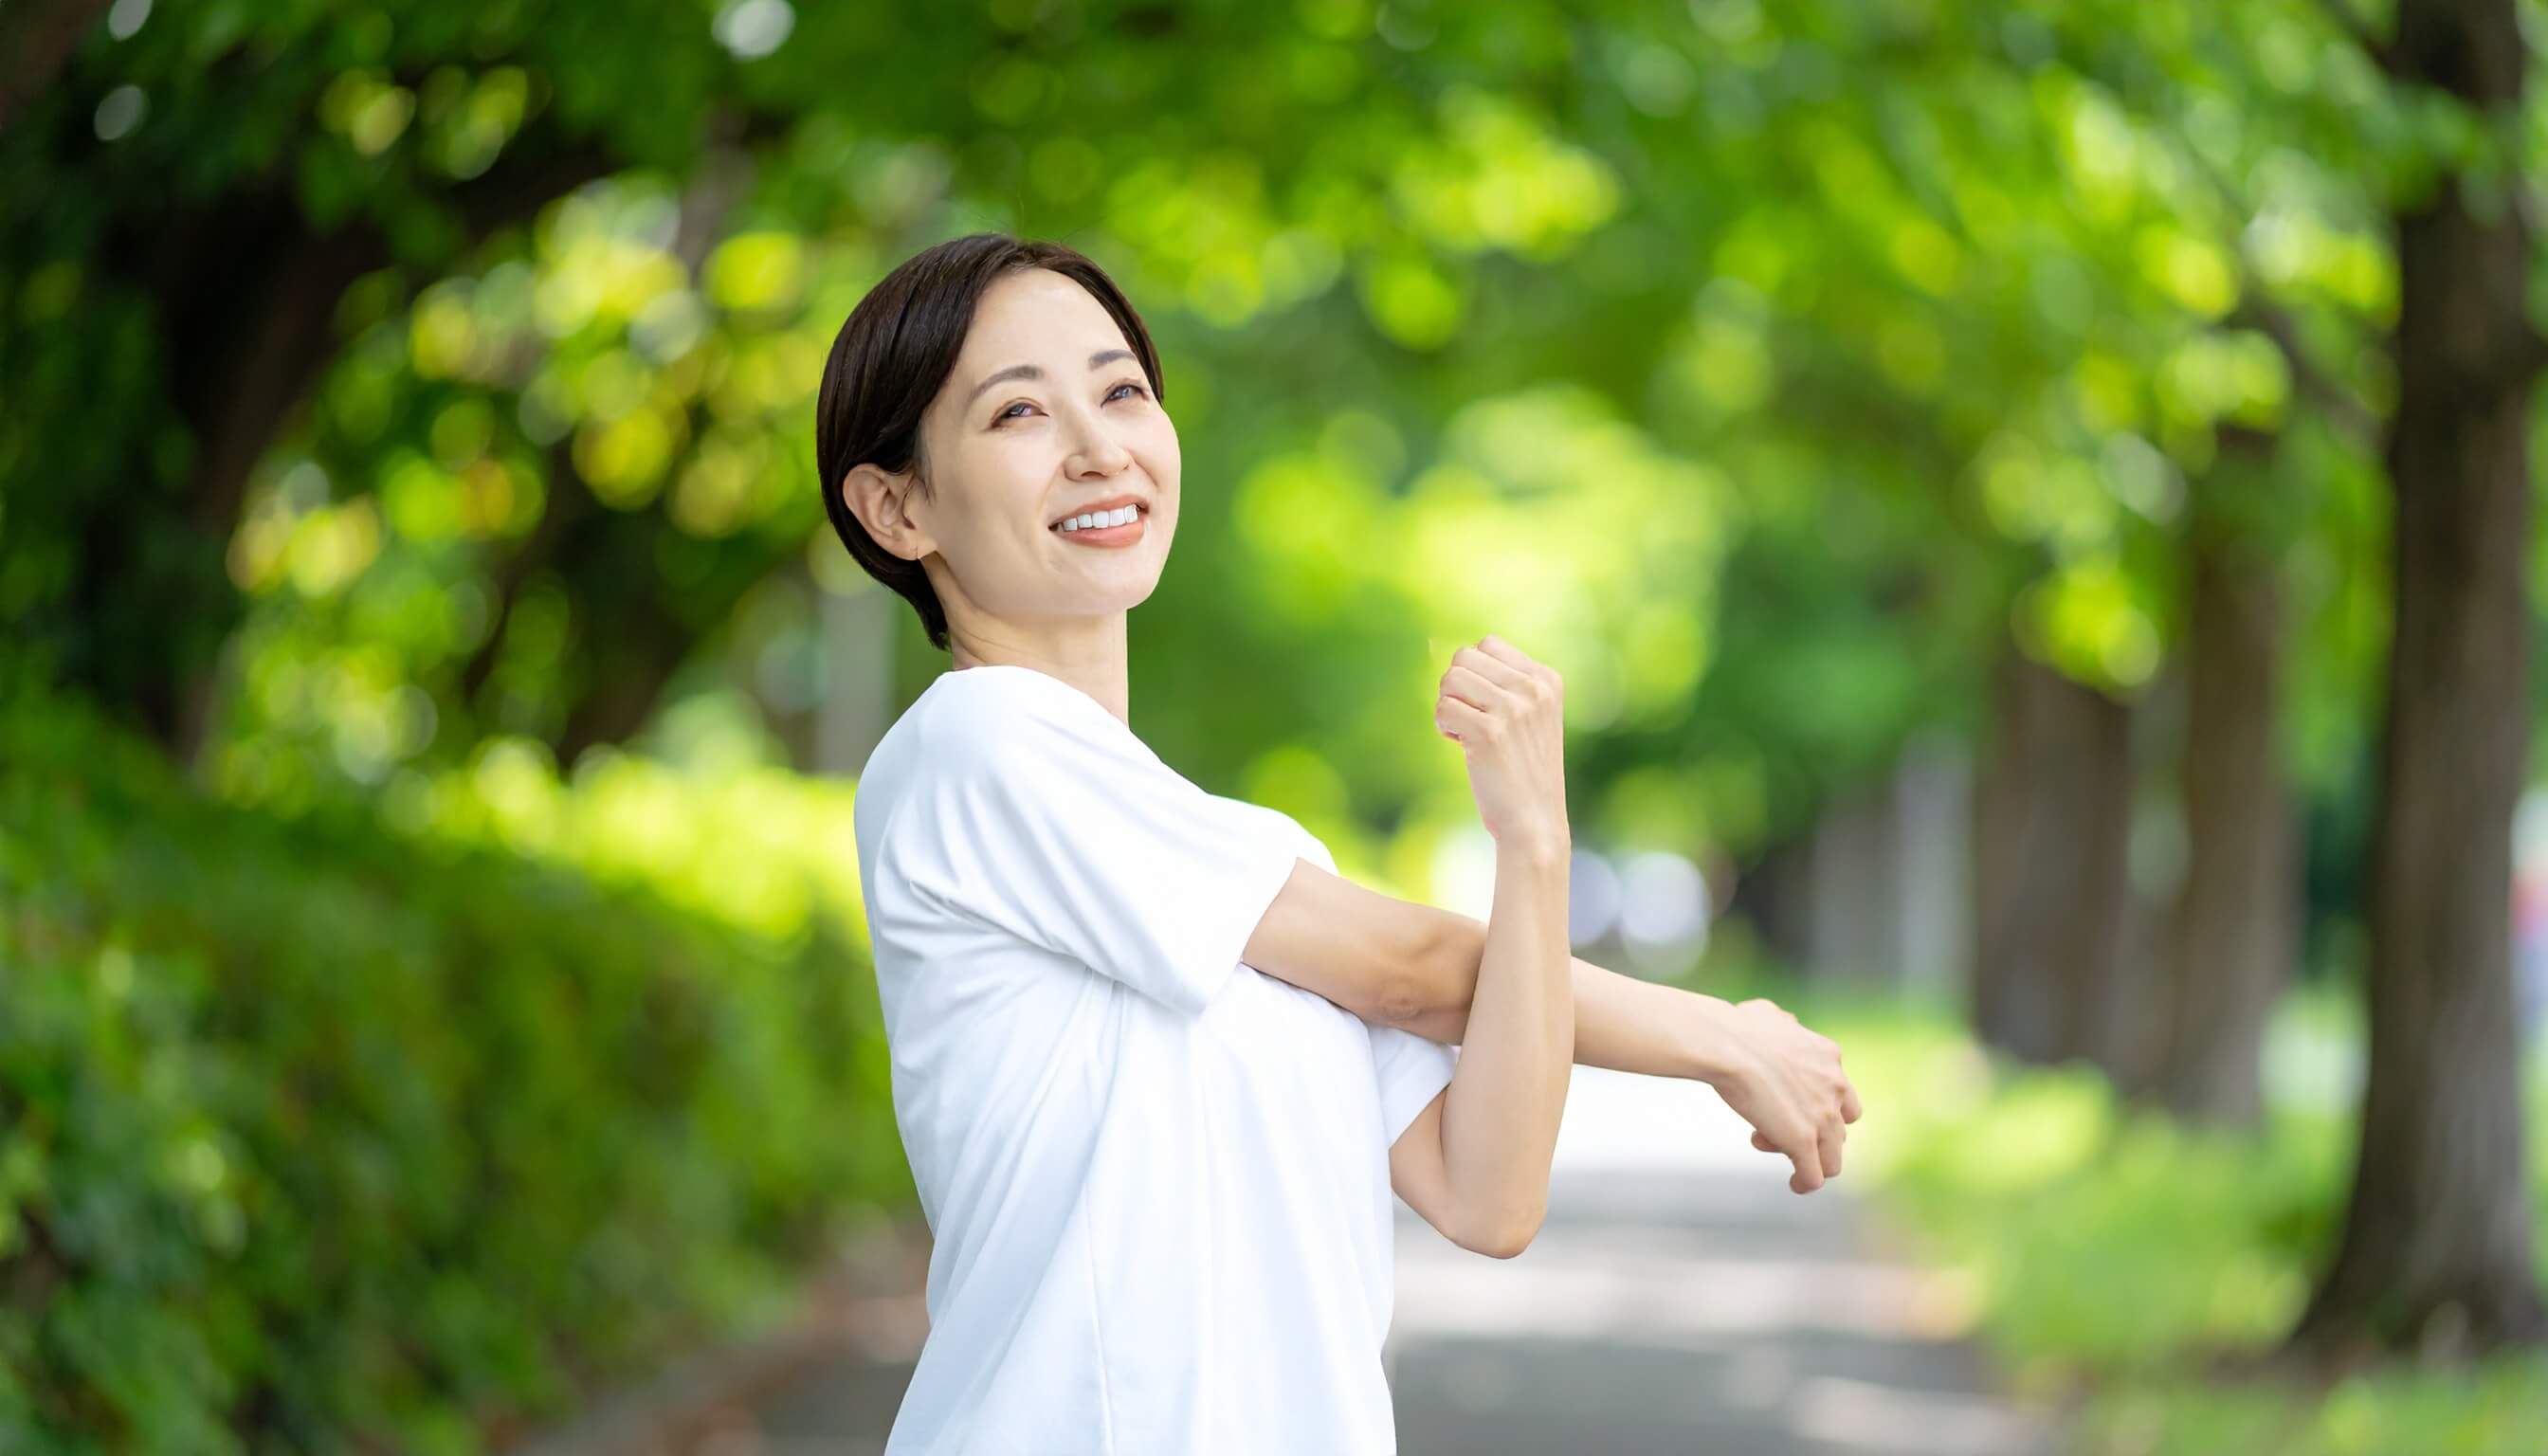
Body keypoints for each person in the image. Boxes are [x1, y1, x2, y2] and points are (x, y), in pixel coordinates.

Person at [820, 233, 1861, 1455]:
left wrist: (1534, 847)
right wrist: (1723, 1037)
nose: (1100, 447)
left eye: (1121, 392)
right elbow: (1412, 973)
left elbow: (1488, 1192)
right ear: (899, 507)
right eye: (1018, 415)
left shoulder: (1250, 861)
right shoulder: (974, 749)